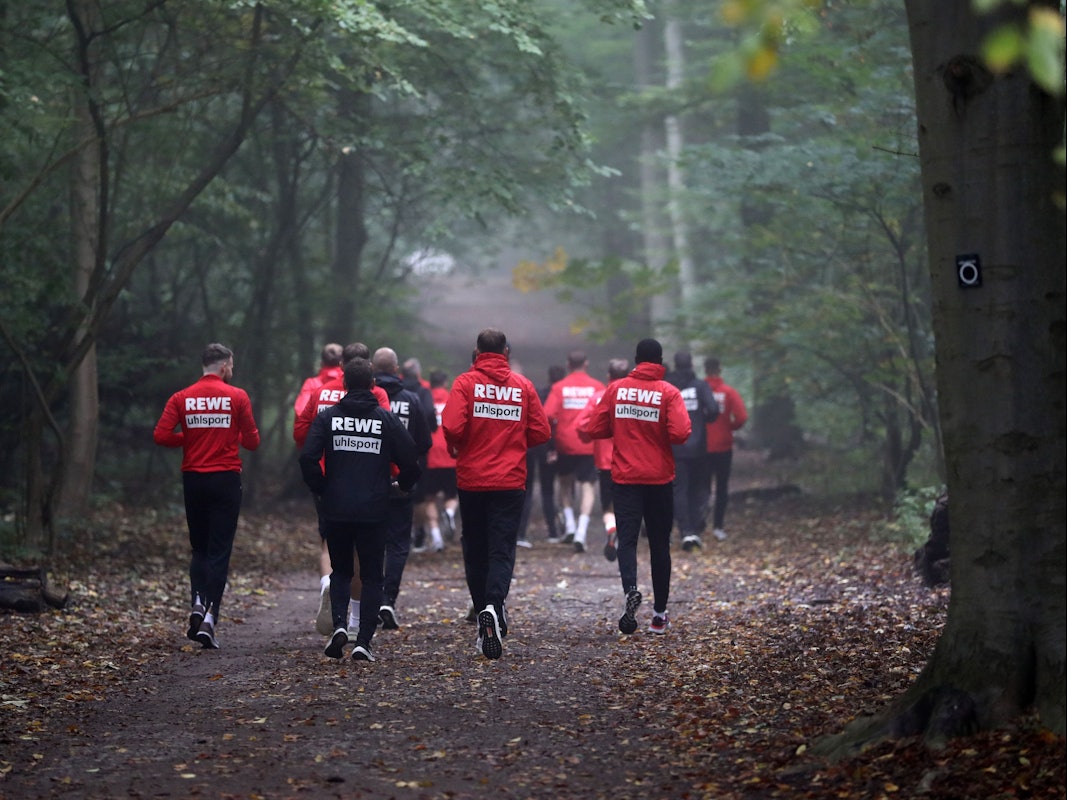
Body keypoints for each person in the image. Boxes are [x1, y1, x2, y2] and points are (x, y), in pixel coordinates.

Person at [299, 357, 421, 662]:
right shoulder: (385, 419)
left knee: (340, 571)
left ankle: (340, 626)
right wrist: (401, 485)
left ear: (343, 384)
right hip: (374, 509)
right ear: (373, 385)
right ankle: (363, 640)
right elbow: (411, 460)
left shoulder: (328, 419)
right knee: (370, 575)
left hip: (336, 507)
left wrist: (321, 487)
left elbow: (307, 457)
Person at [441, 328, 551, 660]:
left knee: (474, 549)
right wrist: (514, 442)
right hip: (510, 481)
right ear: (506, 351)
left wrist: (463, 444)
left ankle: (482, 613)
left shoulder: (464, 383)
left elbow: (451, 426)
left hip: (472, 480)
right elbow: (542, 431)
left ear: (477, 351)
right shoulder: (523, 386)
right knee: (502, 548)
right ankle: (494, 605)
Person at [153, 343, 261, 649]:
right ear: (225, 366)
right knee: (219, 551)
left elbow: (161, 435)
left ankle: (197, 602)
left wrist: (190, 436)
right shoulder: (237, 396)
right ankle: (211, 619)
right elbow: (252, 441)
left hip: (194, 479)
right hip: (226, 479)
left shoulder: (181, 397)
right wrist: (229, 435)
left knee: (198, 548)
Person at [580, 338, 690, 636]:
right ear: (660, 361)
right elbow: (680, 434)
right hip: (659, 479)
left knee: (626, 540)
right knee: (659, 545)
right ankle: (658, 615)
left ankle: (630, 590)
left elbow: (594, 429)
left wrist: (621, 427)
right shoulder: (669, 393)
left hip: (625, 479)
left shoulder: (615, 389)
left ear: (636, 360)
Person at [293, 342, 390, 637]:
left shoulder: (320, 392)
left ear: (342, 368)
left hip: (325, 480)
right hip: (367, 482)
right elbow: (391, 434)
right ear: (368, 369)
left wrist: (317, 470)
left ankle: (328, 585)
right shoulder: (377, 395)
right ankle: (357, 620)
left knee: (329, 541)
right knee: (362, 553)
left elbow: (300, 431)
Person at [373, 347, 433, 630]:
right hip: (402, 483)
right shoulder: (411, 399)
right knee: (398, 544)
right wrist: (409, 465)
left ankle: (368, 603)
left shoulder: (365, 401)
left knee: (371, 542)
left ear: (373, 368)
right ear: (396, 369)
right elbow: (424, 440)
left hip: (369, 483)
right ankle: (388, 599)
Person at [542, 349, 605, 552]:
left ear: (568, 365)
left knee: (565, 484)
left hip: (565, 444)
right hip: (589, 444)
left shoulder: (560, 387)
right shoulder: (597, 387)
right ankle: (581, 532)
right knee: (588, 487)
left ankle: (569, 525)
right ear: (586, 364)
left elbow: (547, 415)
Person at [575, 358, 630, 561]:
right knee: (627, 503)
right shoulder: (635, 398)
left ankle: (611, 530)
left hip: (605, 462)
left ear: (608, 376)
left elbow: (581, 425)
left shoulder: (598, 398)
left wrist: (590, 437)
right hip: (630, 462)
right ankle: (625, 540)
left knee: (607, 505)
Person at [666, 351, 720, 551]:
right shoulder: (700, 386)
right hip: (698, 447)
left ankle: (686, 531)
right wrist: (701, 422)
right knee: (699, 488)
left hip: (674, 447)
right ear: (691, 365)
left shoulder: (667, 387)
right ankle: (695, 528)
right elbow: (713, 409)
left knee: (679, 489)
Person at [517, 364, 565, 547]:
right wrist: (553, 448)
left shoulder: (538, 392)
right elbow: (550, 422)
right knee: (548, 490)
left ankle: (521, 534)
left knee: (526, 490)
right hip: (548, 446)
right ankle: (553, 532)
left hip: (530, 445)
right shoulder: (561, 394)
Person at [703, 356, 748, 541]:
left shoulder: (698, 391)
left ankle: (698, 524)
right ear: (719, 369)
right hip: (723, 446)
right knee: (722, 486)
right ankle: (718, 527)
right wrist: (729, 428)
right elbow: (742, 416)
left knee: (701, 487)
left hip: (701, 447)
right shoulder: (729, 392)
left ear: (705, 370)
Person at [417, 368, 460, 552]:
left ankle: (436, 538)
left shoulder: (423, 400)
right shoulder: (453, 398)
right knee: (452, 495)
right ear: (444, 383)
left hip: (430, 455)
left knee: (429, 498)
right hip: (451, 454)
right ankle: (449, 512)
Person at [293, 343, 344, 417]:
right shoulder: (350, 384)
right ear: (342, 364)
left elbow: (301, 412)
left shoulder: (311, 384)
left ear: (322, 363)